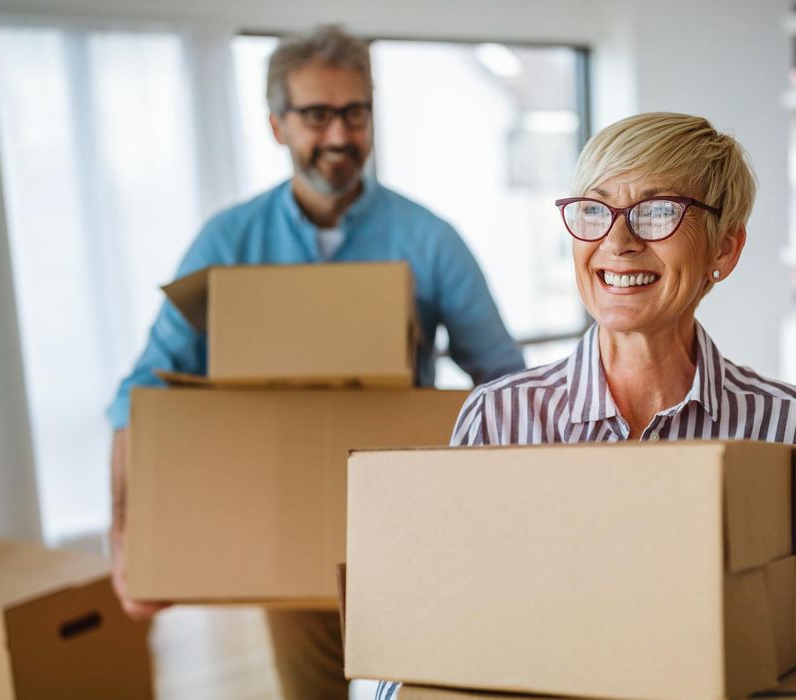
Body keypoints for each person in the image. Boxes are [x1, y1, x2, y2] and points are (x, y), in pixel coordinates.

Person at [368, 111, 796, 698]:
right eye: (594, 210)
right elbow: (417, 650)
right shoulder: (499, 418)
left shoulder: (791, 426)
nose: (617, 241)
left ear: (727, 247)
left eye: (658, 212)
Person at [106, 25, 525, 700]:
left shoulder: (429, 240)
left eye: (354, 112)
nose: (338, 135)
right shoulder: (230, 241)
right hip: (286, 521)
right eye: (315, 115)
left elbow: (505, 382)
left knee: (422, 693)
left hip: (407, 525)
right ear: (277, 124)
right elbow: (141, 390)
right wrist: (127, 536)